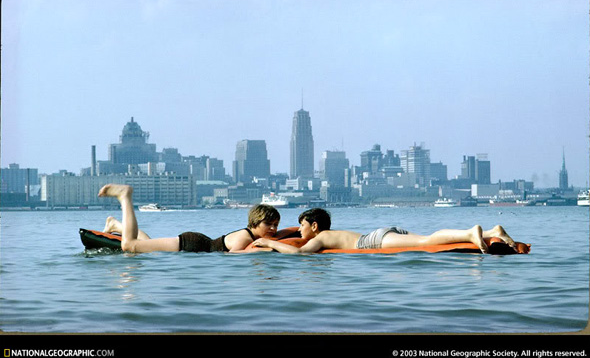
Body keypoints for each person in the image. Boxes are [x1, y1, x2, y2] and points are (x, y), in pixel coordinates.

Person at [98, 184, 280, 253]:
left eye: (275, 225)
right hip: (192, 245)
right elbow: (233, 255)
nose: (273, 229)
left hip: (196, 244)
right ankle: (125, 196)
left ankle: (117, 225)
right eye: (268, 224)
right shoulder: (245, 236)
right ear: (255, 223)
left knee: (147, 244)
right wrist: (262, 250)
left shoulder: (253, 236)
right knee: (129, 246)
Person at [252, 208, 517, 254]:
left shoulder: (321, 237)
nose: (299, 231)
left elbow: (300, 255)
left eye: (301, 225)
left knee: (426, 241)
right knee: (424, 239)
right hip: (380, 234)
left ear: (315, 226)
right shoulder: (327, 233)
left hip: (373, 242)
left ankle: (471, 233)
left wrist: (269, 243)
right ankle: (493, 230)